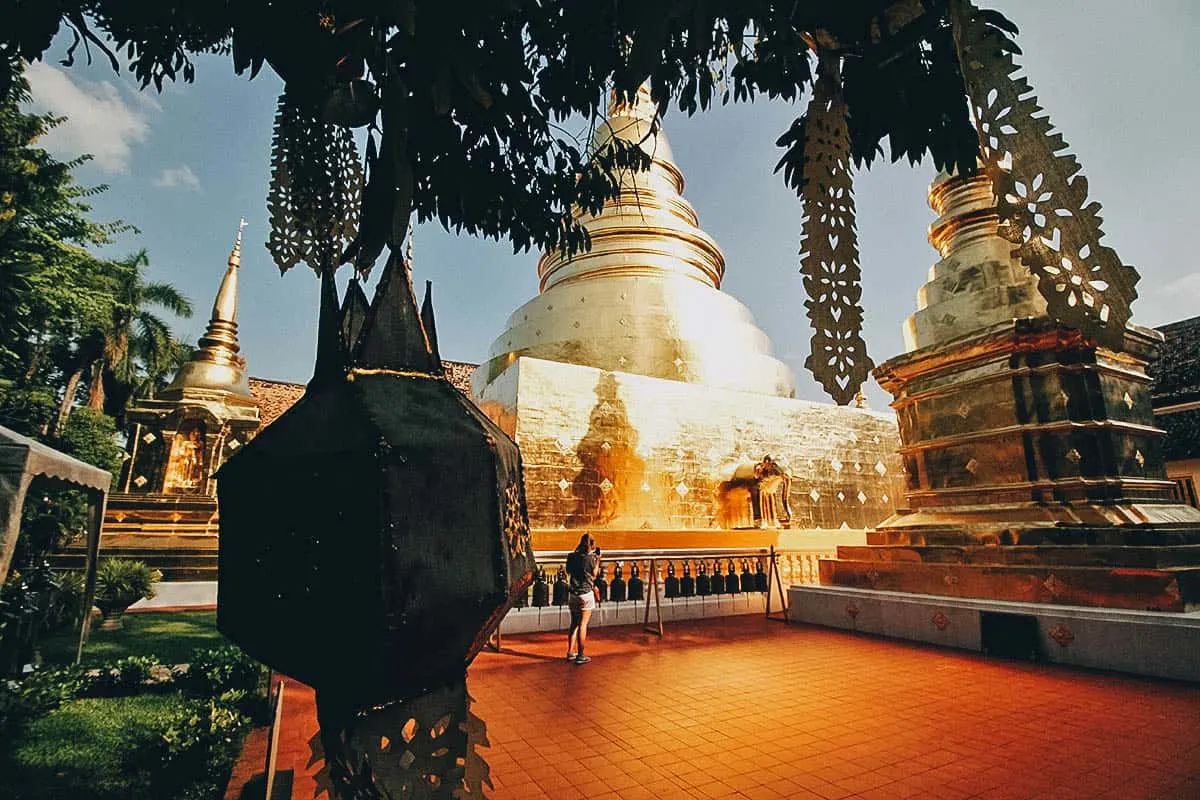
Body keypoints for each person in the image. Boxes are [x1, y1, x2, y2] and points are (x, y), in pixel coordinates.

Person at [565, 533, 600, 664]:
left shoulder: (571, 557)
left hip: (573, 594)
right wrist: (598, 561)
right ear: (591, 545)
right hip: (586, 594)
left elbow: (568, 571)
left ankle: (570, 652)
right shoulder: (590, 559)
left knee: (573, 624)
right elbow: (595, 574)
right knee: (583, 624)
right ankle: (580, 655)